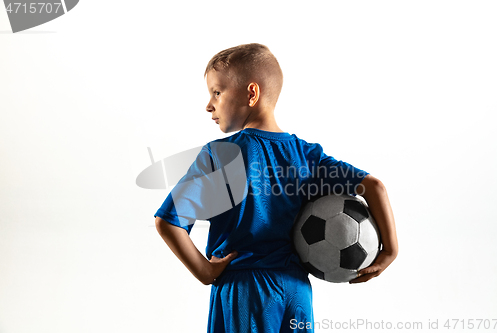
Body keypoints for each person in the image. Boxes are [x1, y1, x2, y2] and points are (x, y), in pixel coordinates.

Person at [154, 43, 398, 333]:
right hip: (296, 292)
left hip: (245, 289)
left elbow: (168, 221)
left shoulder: (220, 155)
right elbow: (374, 186)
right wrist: (389, 251)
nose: (209, 104)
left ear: (251, 93)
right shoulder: (307, 155)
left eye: (217, 92)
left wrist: (206, 272)